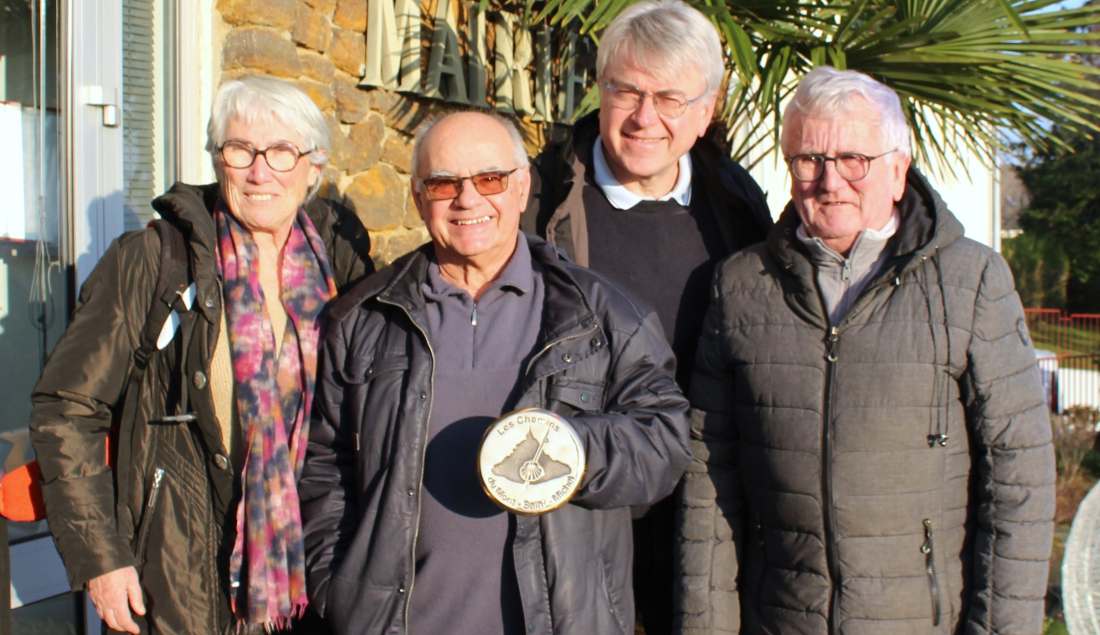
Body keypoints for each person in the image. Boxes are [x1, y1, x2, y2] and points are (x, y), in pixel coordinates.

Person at [675, 66, 1055, 635]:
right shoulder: (741, 285)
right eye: (809, 159)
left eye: (854, 158)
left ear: (898, 171)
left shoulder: (972, 281)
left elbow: (1018, 477)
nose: (830, 181)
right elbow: (709, 477)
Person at [299, 109, 692, 635]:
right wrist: (340, 590)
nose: (468, 199)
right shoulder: (363, 319)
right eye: (444, 183)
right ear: (417, 197)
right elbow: (323, 465)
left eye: (490, 179)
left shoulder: (603, 315)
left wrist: (568, 451)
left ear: (522, 186)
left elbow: (665, 440)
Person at [30, 76, 373, 634]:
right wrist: (101, 559)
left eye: (282, 151)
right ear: (217, 159)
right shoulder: (152, 260)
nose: (260, 171)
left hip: (313, 570)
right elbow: (68, 408)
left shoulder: (345, 268)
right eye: (240, 150)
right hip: (176, 576)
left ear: (314, 167)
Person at [523, 0, 773, 634]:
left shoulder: (736, 204)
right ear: (599, 88)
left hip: (703, 518)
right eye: (627, 91)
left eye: (669, 99)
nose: (644, 118)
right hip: (578, 515)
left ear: (706, 111)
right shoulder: (540, 202)